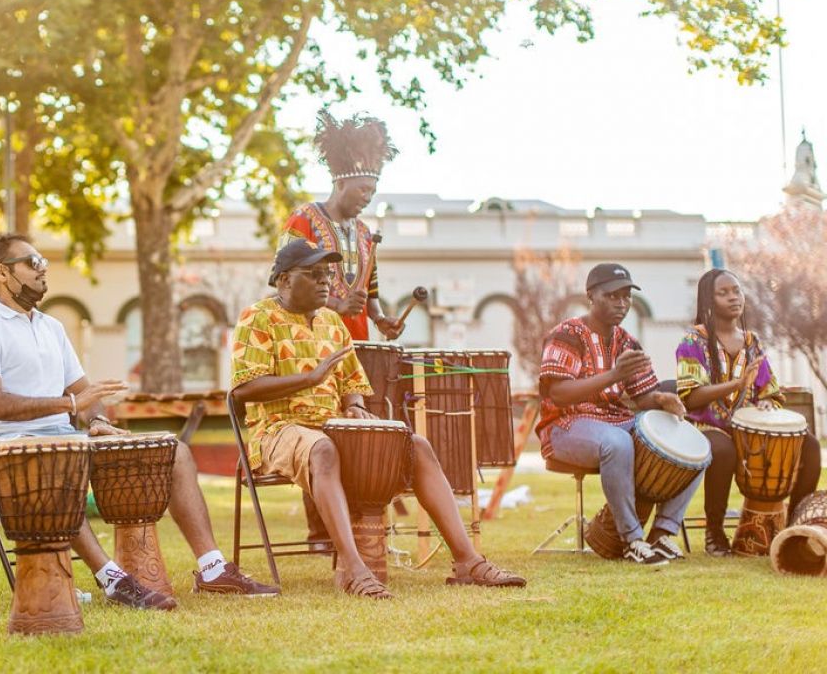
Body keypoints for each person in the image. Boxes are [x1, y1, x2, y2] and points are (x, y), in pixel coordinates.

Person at [0, 233, 279, 611]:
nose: (43, 268)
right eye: (32, 262)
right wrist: (70, 404)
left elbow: (84, 393)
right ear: (2, 272)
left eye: (43, 261)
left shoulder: (50, 327)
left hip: (66, 438)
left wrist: (96, 421)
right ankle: (113, 580)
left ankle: (212, 569)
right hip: (6, 444)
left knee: (173, 452)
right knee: (57, 460)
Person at [230, 239, 526, 599]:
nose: (325, 281)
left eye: (327, 274)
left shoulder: (332, 323)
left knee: (415, 445)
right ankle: (355, 569)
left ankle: (468, 561)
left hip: (331, 427)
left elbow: (352, 383)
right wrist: (307, 380)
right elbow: (243, 389)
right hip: (277, 431)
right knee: (322, 450)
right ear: (283, 280)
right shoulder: (257, 317)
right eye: (313, 274)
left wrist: (354, 405)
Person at [537, 263, 700, 565]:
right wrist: (614, 375)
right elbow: (558, 394)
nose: (621, 304)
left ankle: (662, 534)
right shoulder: (566, 334)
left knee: (689, 446)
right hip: (565, 426)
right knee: (618, 442)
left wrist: (664, 399)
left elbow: (643, 396)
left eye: (626, 297)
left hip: (616, 422)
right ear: (591, 295)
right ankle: (632, 540)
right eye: (612, 296)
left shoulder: (627, 342)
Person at [676, 268, 822, 556]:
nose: (734, 298)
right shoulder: (692, 342)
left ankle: (792, 528)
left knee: (810, 447)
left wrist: (766, 403)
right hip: (706, 428)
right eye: (724, 292)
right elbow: (691, 397)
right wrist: (736, 384)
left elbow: (770, 389)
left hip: (747, 430)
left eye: (737, 291)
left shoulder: (752, 342)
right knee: (724, 449)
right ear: (708, 299)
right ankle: (714, 533)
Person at [279, 110, 406, 343]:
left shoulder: (365, 233)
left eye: (373, 192)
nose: (368, 198)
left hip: (356, 347)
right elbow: (285, 284)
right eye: (363, 189)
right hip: (308, 345)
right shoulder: (302, 219)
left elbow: (370, 294)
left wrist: (379, 320)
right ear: (341, 183)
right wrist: (337, 304)